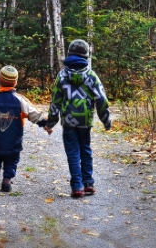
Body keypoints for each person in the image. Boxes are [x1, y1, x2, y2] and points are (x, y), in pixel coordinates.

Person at [45, 39, 112, 198]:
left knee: (73, 152)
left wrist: (51, 122)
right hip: (85, 120)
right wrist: (106, 120)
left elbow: (56, 101)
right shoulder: (91, 76)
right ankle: (88, 183)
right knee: (85, 150)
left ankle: (77, 186)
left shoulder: (62, 75)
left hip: (68, 121)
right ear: (86, 56)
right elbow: (101, 99)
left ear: (69, 54)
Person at [0, 65, 49, 192]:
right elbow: (34, 114)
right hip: (13, 140)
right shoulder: (20, 100)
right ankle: (6, 181)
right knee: (12, 160)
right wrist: (45, 123)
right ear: (15, 82)